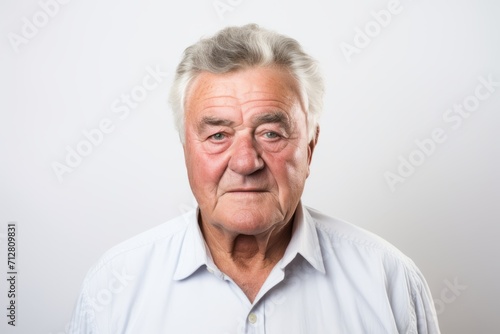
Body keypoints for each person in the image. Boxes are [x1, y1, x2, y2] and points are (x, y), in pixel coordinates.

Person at [69, 24, 440, 333]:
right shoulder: (114, 286)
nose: (246, 162)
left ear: (309, 147)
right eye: (218, 135)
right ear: (186, 148)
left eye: (271, 133)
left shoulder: (388, 280)